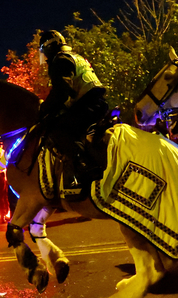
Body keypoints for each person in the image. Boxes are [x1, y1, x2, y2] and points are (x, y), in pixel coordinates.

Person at [38, 29, 109, 198]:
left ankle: (82, 169)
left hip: (87, 105)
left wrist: (43, 110)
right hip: (97, 103)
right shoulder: (75, 57)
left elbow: (62, 92)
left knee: (59, 130)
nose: (44, 57)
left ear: (49, 48)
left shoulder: (59, 60)